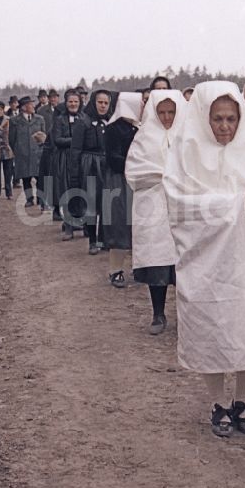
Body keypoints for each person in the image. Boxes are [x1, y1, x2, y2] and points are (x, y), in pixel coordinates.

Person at [163, 81, 245, 437]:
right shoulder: (186, 152)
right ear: (203, 119)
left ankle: (244, 398)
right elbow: (179, 203)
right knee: (212, 326)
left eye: (231, 119)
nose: (225, 126)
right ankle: (218, 402)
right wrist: (233, 204)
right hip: (207, 262)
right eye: (217, 119)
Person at [126, 89, 187, 334]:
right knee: (158, 261)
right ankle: (158, 313)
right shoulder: (144, 137)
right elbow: (133, 172)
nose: (166, 117)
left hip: (183, 205)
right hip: (154, 205)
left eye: (171, 112)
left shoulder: (189, 135)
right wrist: (161, 175)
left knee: (185, 262)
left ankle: (187, 315)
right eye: (161, 112)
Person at [101, 93, 141, 287]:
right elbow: (112, 157)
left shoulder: (138, 128)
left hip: (134, 179)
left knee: (136, 224)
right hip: (118, 180)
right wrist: (134, 163)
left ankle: (138, 267)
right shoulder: (113, 129)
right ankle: (115, 269)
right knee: (119, 224)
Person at [71, 89, 113, 254]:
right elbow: (75, 150)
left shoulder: (110, 121)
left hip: (106, 163)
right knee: (91, 202)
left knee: (107, 202)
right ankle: (92, 241)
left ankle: (104, 238)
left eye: (106, 103)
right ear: (93, 103)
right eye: (100, 102)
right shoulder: (83, 122)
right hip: (89, 164)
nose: (103, 106)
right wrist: (75, 174)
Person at [52, 89, 83, 238]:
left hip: (81, 159)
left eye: (76, 101)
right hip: (65, 159)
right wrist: (76, 141)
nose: (73, 104)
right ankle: (69, 227)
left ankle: (83, 224)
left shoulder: (84, 118)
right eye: (70, 101)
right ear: (66, 103)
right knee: (67, 192)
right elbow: (57, 140)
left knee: (83, 191)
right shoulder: (59, 119)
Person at [9, 96, 47, 206]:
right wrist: (18, 150)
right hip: (23, 154)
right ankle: (29, 199)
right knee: (26, 178)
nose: (33, 106)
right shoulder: (14, 121)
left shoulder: (40, 119)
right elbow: (12, 139)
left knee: (40, 178)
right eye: (31, 104)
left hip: (37, 154)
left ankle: (41, 200)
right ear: (24, 107)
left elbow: (44, 136)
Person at [36, 89, 59, 209]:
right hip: (46, 145)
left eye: (55, 97)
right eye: (51, 97)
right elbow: (39, 128)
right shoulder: (41, 111)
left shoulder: (62, 110)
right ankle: (43, 201)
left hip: (58, 147)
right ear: (48, 99)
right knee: (45, 174)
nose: (53, 99)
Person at [0, 101, 15, 200]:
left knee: (8, 173)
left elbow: (13, 135)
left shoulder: (9, 120)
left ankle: (9, 193)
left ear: (3, 110)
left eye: (0, 109)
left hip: (7, 150)